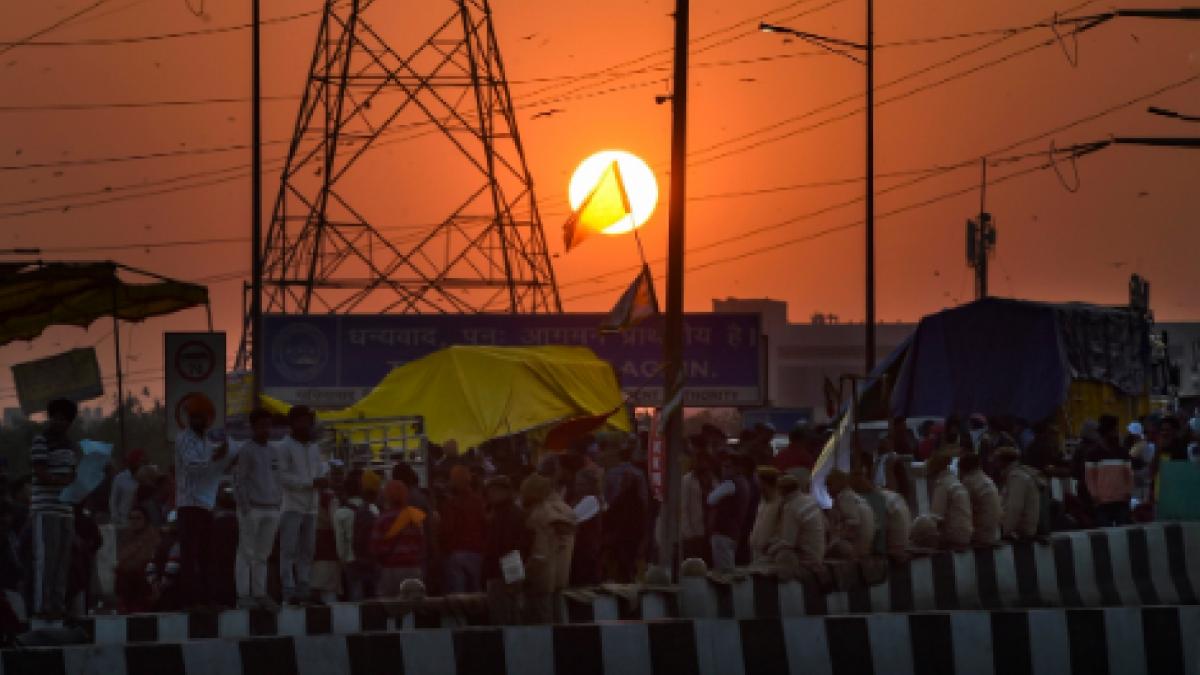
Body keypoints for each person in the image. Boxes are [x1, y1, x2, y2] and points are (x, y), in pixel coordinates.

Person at [175, 401, 236, 610]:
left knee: (207, 556)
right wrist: (215, 459)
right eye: (194, 417)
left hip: (207, 505)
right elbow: (192, 467)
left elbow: (218, 466)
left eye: (201, 417)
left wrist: (226, 456)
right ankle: (189, 601)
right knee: (190, 556)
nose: (198, 421)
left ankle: (208, 600)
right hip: (190, 504)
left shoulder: (209, 440)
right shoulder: (184, 439)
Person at [30, 398, 80, 619]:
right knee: (46, 560)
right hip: (45, 508)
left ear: (69, 422)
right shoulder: (41, 440)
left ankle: (57, 606)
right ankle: (42, 607)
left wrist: (75, 480)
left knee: (62, 561)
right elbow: (40, 473)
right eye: (55, 417)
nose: (58, 422)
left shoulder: (71, 446)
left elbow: (72, 474)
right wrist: (61, 481)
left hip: (65, 510)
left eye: (63, 419)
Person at [277, 406, 328, 605]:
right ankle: (288, 591)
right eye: (302, 421)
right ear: (293, 423)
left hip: (311, 506)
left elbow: (320, 470)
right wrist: (310, 483)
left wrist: (322, 479)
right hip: (291, 506)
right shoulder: (284, 447)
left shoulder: (314, 447)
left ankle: (304, 588)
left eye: (308, 420)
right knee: (288, 550)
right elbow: (282, 477)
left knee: (308, 550)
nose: (306, 424)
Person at [232, 409, 282, 610]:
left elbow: (277, 479)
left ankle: (260, 594)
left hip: (271, 508)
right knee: (246, 552)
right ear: (253, 427)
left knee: (263, 554)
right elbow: (239, 481)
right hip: (252, 508)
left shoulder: (273, 451)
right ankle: (243, 596)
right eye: (262, 426)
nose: (266, 430)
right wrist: (245, 507)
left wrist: (278, 503)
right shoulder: (246, 450)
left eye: (268, 425)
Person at [521, 473, 576, 624]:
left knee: (542, 627)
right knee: (560, 623)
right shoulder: (566, 509)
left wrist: (524, 575)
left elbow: (540, 554)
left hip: (541, 579)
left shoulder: (539, 514)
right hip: (561, 576)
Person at [481, 476, 530, 624]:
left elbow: (509, 546)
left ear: (506, 492)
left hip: (501, 572)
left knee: (503, 615)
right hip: (504, 571)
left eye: (494, 490)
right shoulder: (504, 512)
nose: (490, 494)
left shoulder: (508, 514)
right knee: (509, 613)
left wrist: (511, 577)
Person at [602, 440, 649, 582]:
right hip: (633, 526)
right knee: (631, 559)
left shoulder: (611, 473)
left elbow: (606, 498)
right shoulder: (639, 474)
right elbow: (644, 499)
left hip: (616, 525)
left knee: (617, 560)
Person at [371, 480, 426, 597]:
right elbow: (422, 543)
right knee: (412, 606)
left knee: (389, 606)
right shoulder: (414, 516)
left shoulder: (382, 519)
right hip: (412, 568)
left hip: (390, 569)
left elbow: (376, 548)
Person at [439, 464, 486, 593]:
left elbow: (446, 529)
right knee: (476, 593)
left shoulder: (450, 504)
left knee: (458, 595)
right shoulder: (479, 501)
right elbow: (484, 525)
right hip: (476, 552)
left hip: (456, 552)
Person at [769, 470, 825, 576]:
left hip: (806, 558)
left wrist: (769, 549)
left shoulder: (791, 507)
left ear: (782, 491)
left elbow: (788, 542)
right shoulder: (810, 500)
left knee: (781, 555)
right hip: (818, 554)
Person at [335, 471, 379, 601]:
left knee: (356, 595)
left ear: (345, 491)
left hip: (351, 560)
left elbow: (340, 543)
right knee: (373, 594)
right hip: (370, 558)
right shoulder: (373, 508)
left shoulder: (340, 513)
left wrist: (343, 560)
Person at [1085, 415, 1133, 527]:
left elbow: (1129, 475)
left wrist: (1128, 492)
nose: (1117, 434)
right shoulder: (1093, 453)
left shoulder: (1123, 452)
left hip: (1121, 500)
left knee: (1123, 532)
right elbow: (1090, 477)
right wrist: (1094, 495)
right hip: (1102, 502)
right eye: (1114, 431)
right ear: (1106, 433)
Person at [706, 452, 750, 570]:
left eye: (727, 467)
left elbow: (711, 499)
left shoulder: (730, 483)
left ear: (737, 468)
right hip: (733, 532)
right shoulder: (744, 482)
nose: (723, 470)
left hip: (723, 532)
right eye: (723, 466)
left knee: (724, 571)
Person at [115, 506, 159, 613]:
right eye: (131, 518)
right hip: (128, 574)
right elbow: (121, 557)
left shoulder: (153, 535)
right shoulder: (127, 536)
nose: (134, 521)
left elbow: (147, 557)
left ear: (145, 520)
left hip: (147, 574)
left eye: (138, 518)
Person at [825, 469, 875, 559]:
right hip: (864, 546)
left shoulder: (845, 497)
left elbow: (853, 522)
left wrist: (837, 536)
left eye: (829, 485)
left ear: (838, 483)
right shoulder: (853, 497)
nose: (827, 490)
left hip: (855, 547)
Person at [927, 452, 973, 549]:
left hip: (953, 537)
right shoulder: (954, 481)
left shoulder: (942, 484)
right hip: (966, 534)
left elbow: (936, 517)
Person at [994, 447, 1042, 540]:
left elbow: (1014, 508)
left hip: (1021, 531)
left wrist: (1004, 532)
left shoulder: (1017, 477)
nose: (994, 464)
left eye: (996, 460)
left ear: (1003, 461)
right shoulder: (1014, 474)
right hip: (1018, 529)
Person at [958, 453, 1001, 546]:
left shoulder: (968, 481)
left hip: (980, 536)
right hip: (996, 534)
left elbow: (962, 510)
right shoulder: (988, 479)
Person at [679, 451, 712, 564]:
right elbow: (683, 507)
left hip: (707, 531)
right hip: (692, 532)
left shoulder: (711, 479)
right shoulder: (687, 480)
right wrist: (688, 532)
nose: (702, 464)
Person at [747, 467, 782, 564]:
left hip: (769, 556)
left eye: (757, 481)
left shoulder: (781, 504)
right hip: (755, 553)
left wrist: (770, 545)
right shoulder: (762, 502)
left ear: (764, 483)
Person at [109, 449, 146, 530]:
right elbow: (113, 500)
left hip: (142, 521)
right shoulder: (120, 478)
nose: (141, 464)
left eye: (143, 461)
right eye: (139, 461)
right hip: (124, 521)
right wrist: (116, 518)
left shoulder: (145, 477)